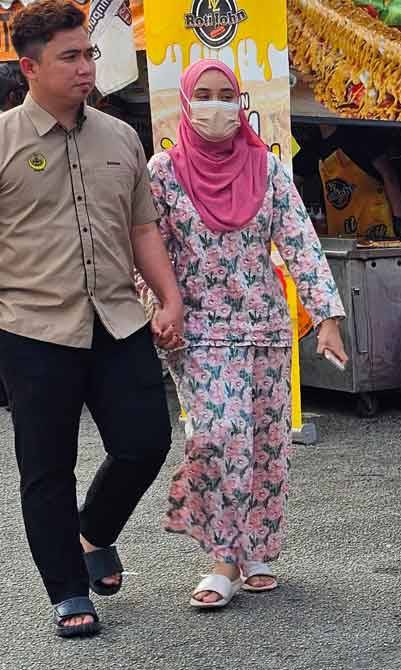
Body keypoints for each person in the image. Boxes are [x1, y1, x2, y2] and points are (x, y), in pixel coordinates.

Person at [0, 0, 184, 637]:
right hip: (31, 330)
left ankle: (94, 532)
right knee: (46, 468)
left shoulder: (122, 137)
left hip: (118, 320)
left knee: (145, 443)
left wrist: (169, 296)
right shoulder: (2, 142)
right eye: (70, 57)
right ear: (30, 67)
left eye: (89, 54)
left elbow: (142, 228)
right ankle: (68, 591)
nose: (86, 67)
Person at [145, 59, 347, 609]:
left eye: (226, 94)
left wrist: (325, 319)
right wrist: (159, 310)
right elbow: (147, 250)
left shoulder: (268, 169)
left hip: (264, 326)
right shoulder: (162, 172)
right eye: (204, 95)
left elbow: (300, 243)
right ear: (186, 104)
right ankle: (222, 559)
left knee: (266, 442)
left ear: (241, 102)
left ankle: (257, 547)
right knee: (218, 434)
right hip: (201, 329)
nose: (217, 106)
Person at [293, 123, 401, 240]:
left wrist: (399, 220)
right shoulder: (314, 146)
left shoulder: (360, 135)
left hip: (376, 225)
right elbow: (290, 181)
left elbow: (389, 176)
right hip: (341, 233)